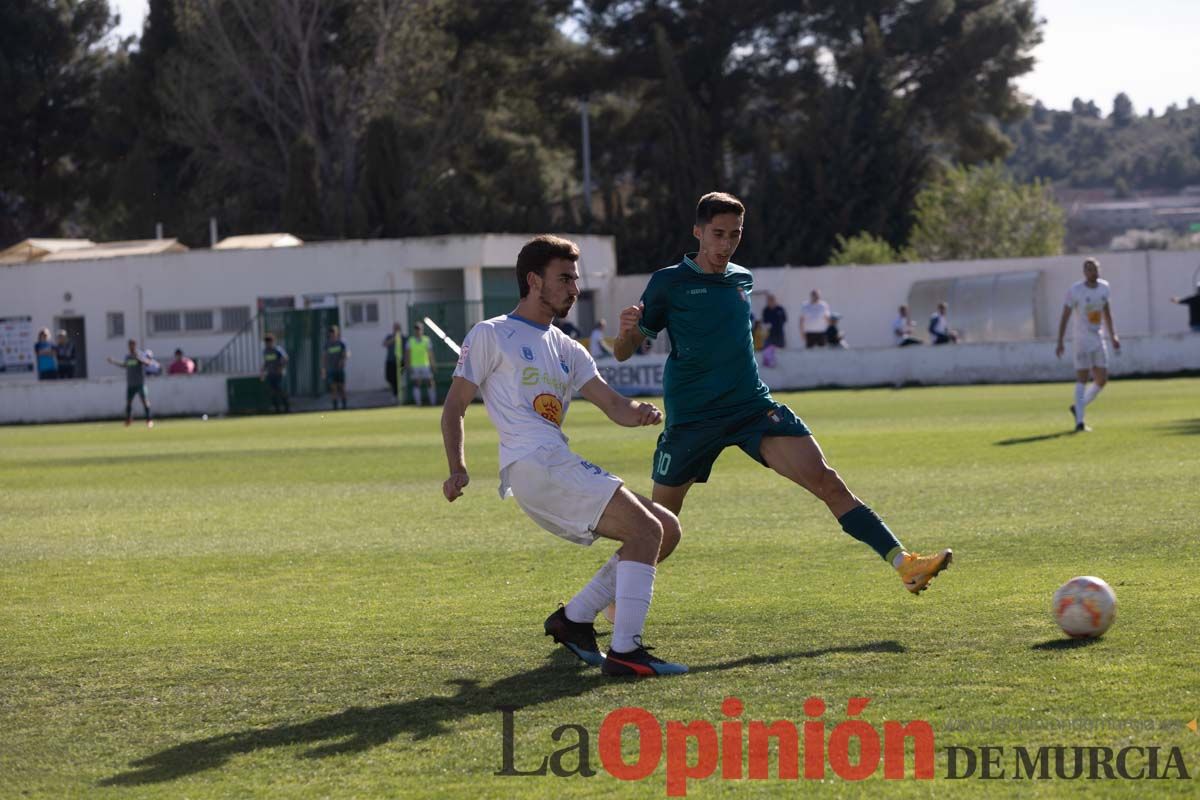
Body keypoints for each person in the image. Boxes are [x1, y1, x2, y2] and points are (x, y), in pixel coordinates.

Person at [612, 192, 951, 595]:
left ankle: (905, 564)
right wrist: (627, 332)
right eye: (718, 234)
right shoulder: (668, 283)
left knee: (828, 481)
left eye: (735, 234)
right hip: (693, 420)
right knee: (659, 528)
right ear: (698, 232)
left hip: (751, 408)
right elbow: (623, 352)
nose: (726, 244)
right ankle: (598, 600)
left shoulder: (742, 278)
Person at [441, 234, 686, 677]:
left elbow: (613, 405)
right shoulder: (491, 333)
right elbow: (454, 407)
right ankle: (626, 652)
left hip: (553, 461)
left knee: (665, 529)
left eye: (575, 278)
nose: (575, 288)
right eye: (565, 278)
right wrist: (458, 467)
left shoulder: (568, 347)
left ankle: (574, 619)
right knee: (647, 530)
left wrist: (640, 413)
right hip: (534, 463)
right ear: (534, 280)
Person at [1057, 257, 1120, 433]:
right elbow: (1065, 315)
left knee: (1102, 379)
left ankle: (1078, 406)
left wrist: (1113, 335)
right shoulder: (1076, 290)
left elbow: (1107, 312)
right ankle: (1080, 422)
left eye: (1095, 269)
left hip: (1098, 339)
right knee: (1082, 379)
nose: (1093, 272)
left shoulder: (1104, 287)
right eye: (1089, 269)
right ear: (1084, 272)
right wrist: (1060, 340)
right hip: (1081, 341)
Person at [106, 339, 153, 428]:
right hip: (131, 384)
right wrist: (113, 362)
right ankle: (128, 420)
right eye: (129, 345)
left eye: (132, 345)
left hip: (140, 383)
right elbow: (124, 365)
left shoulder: (139, 355)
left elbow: (148, 363)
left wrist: (138, 358)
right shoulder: (128, 357)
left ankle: (149, 420)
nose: (131, 347)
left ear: (135, 345)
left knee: (145, 401)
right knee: (128, 403)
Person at [406, 322, 438, 406]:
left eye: (419, 329)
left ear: (422, 330)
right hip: (415, 366)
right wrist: (408, 365)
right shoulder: (410, 341)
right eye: (416, 329)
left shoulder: (426, 340)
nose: (418, 331)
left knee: (430, 382)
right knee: (417, 383)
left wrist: (433, 364)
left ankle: (433, 402)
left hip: (425, 365)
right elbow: (408, 354)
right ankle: (418, 403)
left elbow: (430, 354)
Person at [322, 324, 350, 410]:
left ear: (337, 333)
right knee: (333, 388)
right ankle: (335, 407)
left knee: (342, 388)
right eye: (331, 332)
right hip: (331, 369)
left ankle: (344, 405)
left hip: (339, 369)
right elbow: (324, 357)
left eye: (334, 332)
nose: (333, 334)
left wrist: (343, 360)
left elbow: (347, 353)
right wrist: (324, 369)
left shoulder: (341, 343)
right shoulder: (327, 344)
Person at [260, 333, 290, 413]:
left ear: (273, 342)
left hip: (279, 374)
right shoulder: (265, 351)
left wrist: (281, 367)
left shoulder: (277, 349)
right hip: (270, 374)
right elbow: (266, 362)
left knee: (280, 390)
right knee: (272, 392)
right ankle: (277, 409)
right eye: (266, 342)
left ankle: (287, 408)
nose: (268, 344)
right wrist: (262, 372)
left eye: (269, 342)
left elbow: (286, 358)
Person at [383, 323, 403, 399]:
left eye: (398, 328)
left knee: (398, 379)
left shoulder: (403, 337)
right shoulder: (389, 336)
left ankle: (397, 395)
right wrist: (394, 339)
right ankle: (395, 393)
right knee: (389, 377)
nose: (396, 329)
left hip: (399, 361)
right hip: (390, 360)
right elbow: (385, 344)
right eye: (395, 328)